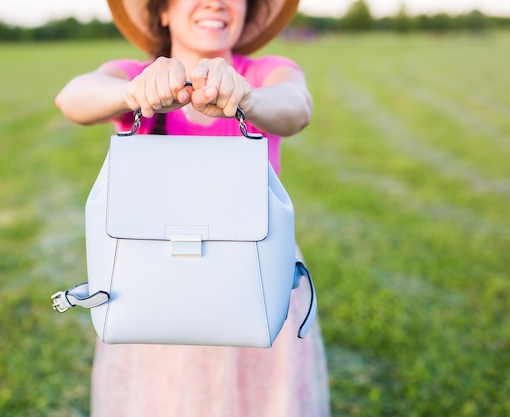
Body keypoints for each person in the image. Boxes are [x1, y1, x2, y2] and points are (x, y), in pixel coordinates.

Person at [55, 0, 330, 415]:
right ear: (162, 11)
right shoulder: (134, 74)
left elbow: (297, 107)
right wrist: (133, 93)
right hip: (152, 286)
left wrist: (248, 99)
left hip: (252, 278)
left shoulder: (265, 72)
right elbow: (72, 98)